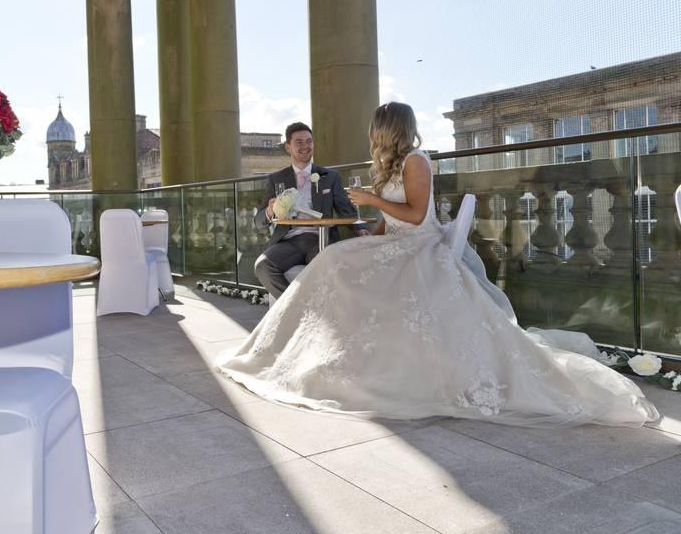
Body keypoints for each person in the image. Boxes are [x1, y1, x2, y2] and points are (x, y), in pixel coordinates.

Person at [218, 102, 659, 427]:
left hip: (419, 247)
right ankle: (308, 352)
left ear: (387, 129)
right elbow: (390, 223)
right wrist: (364, 235)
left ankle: (342, 358)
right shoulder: (390, 164)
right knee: (334, 258)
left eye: (375, 128)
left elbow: (414, 214)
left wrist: (370, 200)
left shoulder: (415, 161)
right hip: (395, 243)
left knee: (334, 267)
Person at [253, 122, 361, 300]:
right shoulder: (276, 179)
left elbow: (346, 211)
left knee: (324, 268)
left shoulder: (330, 176)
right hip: (288, 241)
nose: (305, 146)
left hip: (321, 239)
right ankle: (293, 307)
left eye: (309, 141)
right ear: (288, 147)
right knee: (262, 266)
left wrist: (360, 229)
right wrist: (270, 211)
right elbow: (258, 222)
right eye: (299, 142)